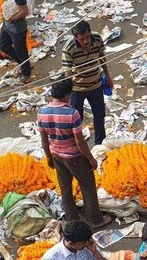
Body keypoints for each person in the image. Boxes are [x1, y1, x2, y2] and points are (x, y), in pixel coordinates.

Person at [37, 77, 112, 228]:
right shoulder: (72, 113)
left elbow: (44, 139)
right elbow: (80, 142)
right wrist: (91, 159)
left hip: (57, 155)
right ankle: (95, 219)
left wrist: (49, 157)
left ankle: (72, 219)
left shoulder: (42, 112)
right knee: (87, 186)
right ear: (67, 94)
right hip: (75, 156)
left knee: (65, 187)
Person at [61, 20, 112, 145]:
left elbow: (101, 55)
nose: (85, 41)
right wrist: (66, 96)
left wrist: (107, 75)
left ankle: (100, 143)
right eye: (81, 39)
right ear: (75, 38)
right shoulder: (69, 48)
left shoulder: (97, 38)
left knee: (99, 115)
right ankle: (76, 145)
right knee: (77, 119)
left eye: (87, 37)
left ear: (90, 32)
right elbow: (67, 73)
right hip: (78, 89)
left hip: (96, 84)